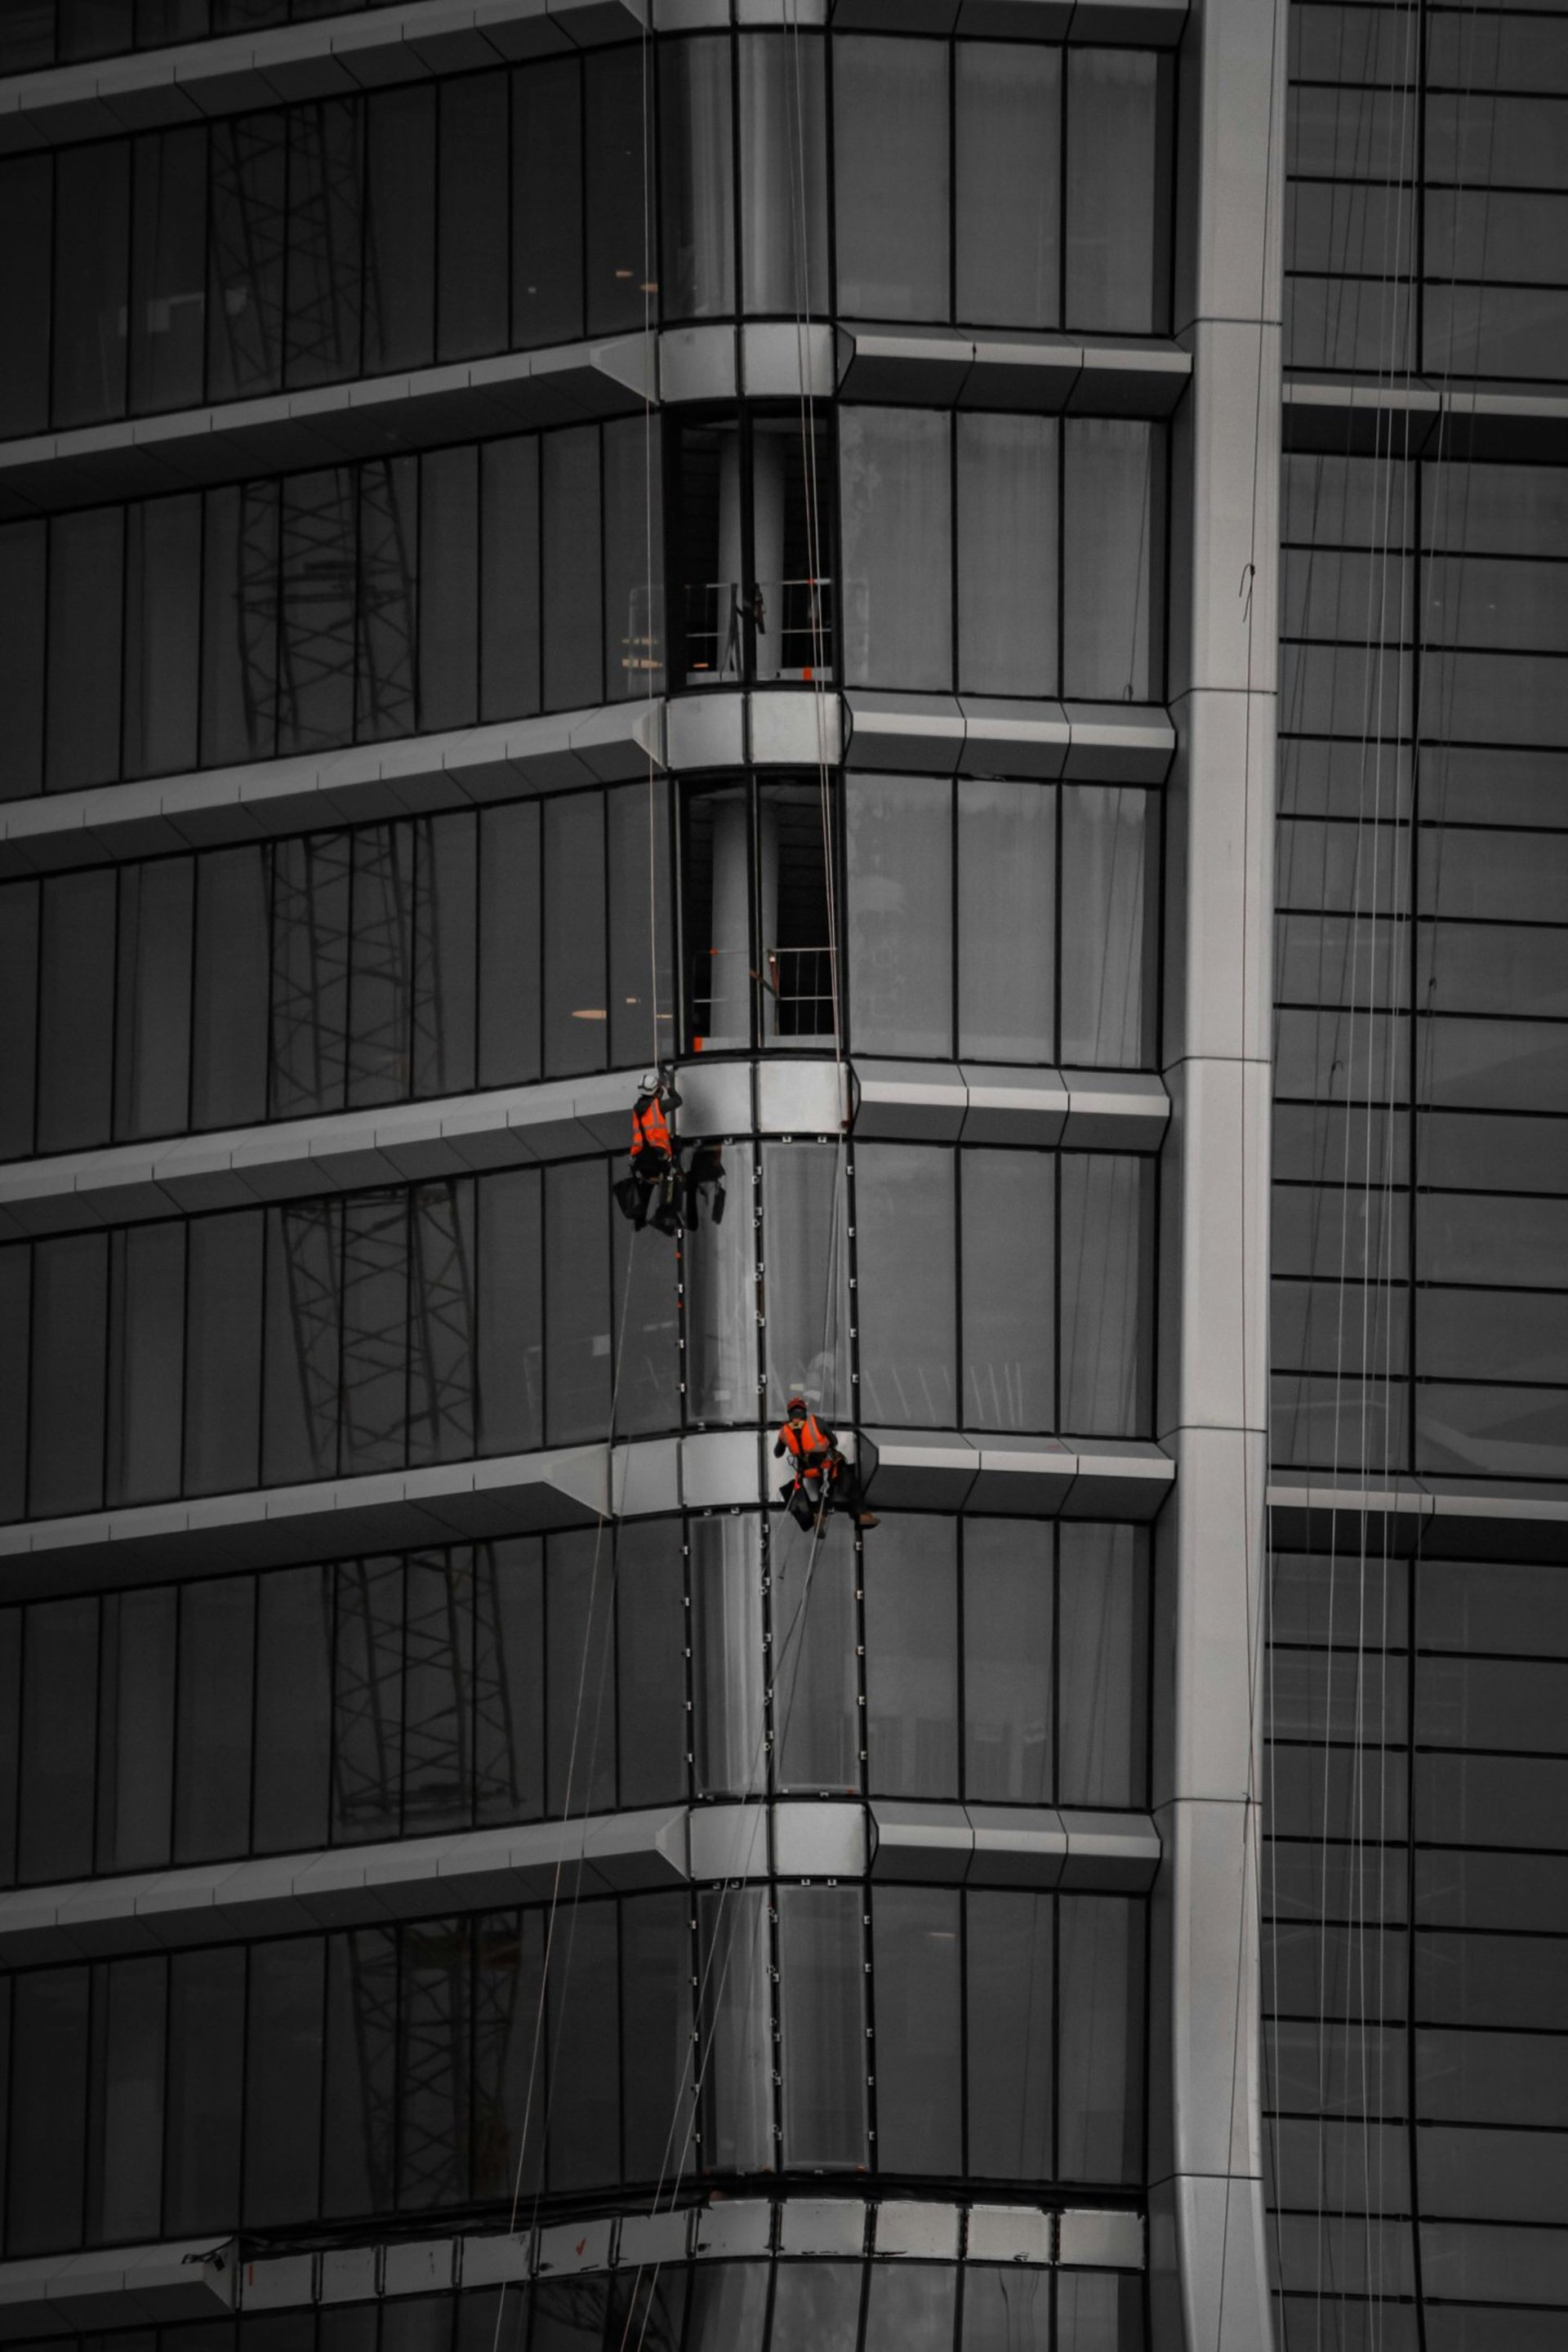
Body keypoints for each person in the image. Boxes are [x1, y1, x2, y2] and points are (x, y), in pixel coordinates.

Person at [773, 1396, 879, 1534]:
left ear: (789, 1414)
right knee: (846, 1479)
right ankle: (862, 1514)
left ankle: (821, 1519)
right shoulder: (816, 1421)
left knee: (824, 1488)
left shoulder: (784, 1432)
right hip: (826, 1465)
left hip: (808, 1471)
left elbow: (777, 1453)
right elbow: (834, 1441)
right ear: (804, 1411)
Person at [614, 1068, 683, 1233]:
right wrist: (668, 1086)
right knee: (673, 1181)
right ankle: (663, 1216)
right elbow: (677, 1101)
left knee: (646, 1186)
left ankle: (640, 1219)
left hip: (641, 1158)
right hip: (657, 1157)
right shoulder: (657, 1106)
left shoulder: (637, 1108)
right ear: (655, 1090)